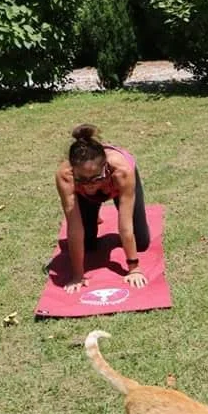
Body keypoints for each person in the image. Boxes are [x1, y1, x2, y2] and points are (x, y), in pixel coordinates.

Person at [54, 124, 150, 293]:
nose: (89, 185)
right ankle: (93, 210)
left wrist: (134, 268)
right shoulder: (65, 175)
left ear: (105, 167)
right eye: (82, 179)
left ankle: (94, 208)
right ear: (73, 171)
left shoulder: (122, 172)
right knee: (87, 245)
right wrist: (77, 275)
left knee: (141, 243)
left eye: (95, 178)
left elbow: (125, 226)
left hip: (114, 186)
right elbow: (74, 227)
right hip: (88, 196)